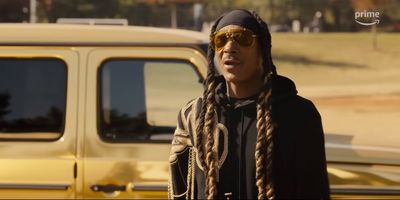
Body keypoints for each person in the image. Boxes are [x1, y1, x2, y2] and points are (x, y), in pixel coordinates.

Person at [169, 9, 330, 199]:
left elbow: (314, 190)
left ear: (262, 50)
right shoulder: (194, 116)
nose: (229, 47)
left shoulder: (298, 114)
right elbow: (179, 189)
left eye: (241, 38)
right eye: (221, 40)